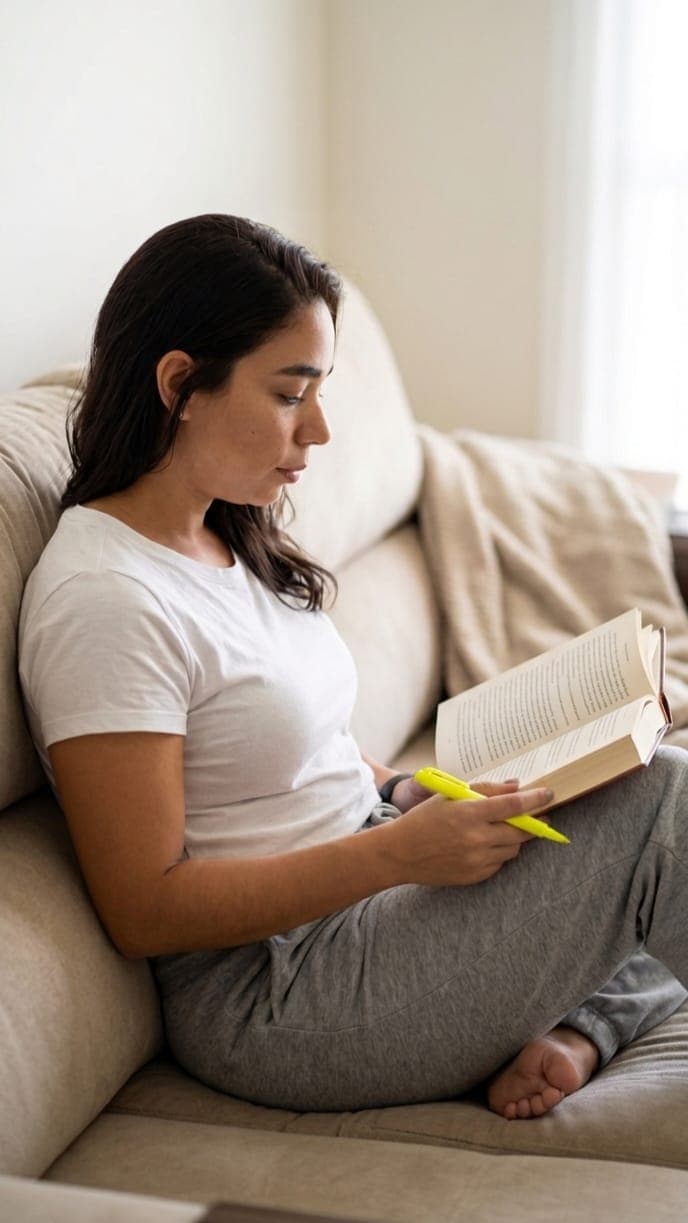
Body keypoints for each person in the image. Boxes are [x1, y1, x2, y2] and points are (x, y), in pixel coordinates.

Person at [17, 214, 688, 1123]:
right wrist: (394, 853)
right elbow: (145, 906)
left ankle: (579, 1029)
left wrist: (411, 794)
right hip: (283, 989)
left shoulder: (228, 531)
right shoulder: (103, 600)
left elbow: (305, 752)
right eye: (292, 394)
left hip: (374, 874)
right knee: (665, 808)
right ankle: (592, 1014)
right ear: (180, 384)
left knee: (624, 793)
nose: (322, 430)